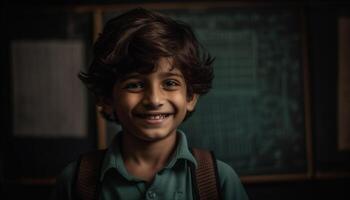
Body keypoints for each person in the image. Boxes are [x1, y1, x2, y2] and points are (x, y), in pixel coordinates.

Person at [52, 8, 249, 200]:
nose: (154, 100)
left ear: (190, 97)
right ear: (107, 99)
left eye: (170, 83)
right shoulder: (76, 182)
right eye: (135, 85)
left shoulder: (217, 180)